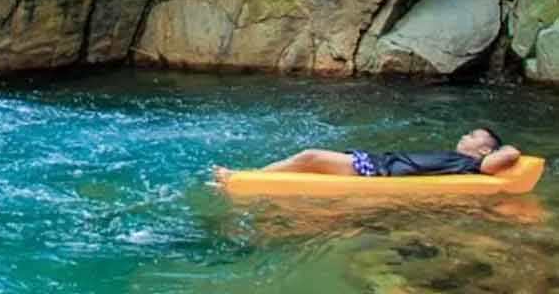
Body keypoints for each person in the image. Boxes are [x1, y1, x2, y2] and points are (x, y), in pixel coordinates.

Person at [212, 128, 521, 183]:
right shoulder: (462, 160)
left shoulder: (473, 164)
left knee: (309, 156)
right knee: (308, 161)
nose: (464, 136)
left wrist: (499, 151)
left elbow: (511, 154)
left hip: (375, 169)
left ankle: (245, 176)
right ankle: (251, 174)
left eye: (472, 136)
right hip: (378, 163)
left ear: (484, 150)